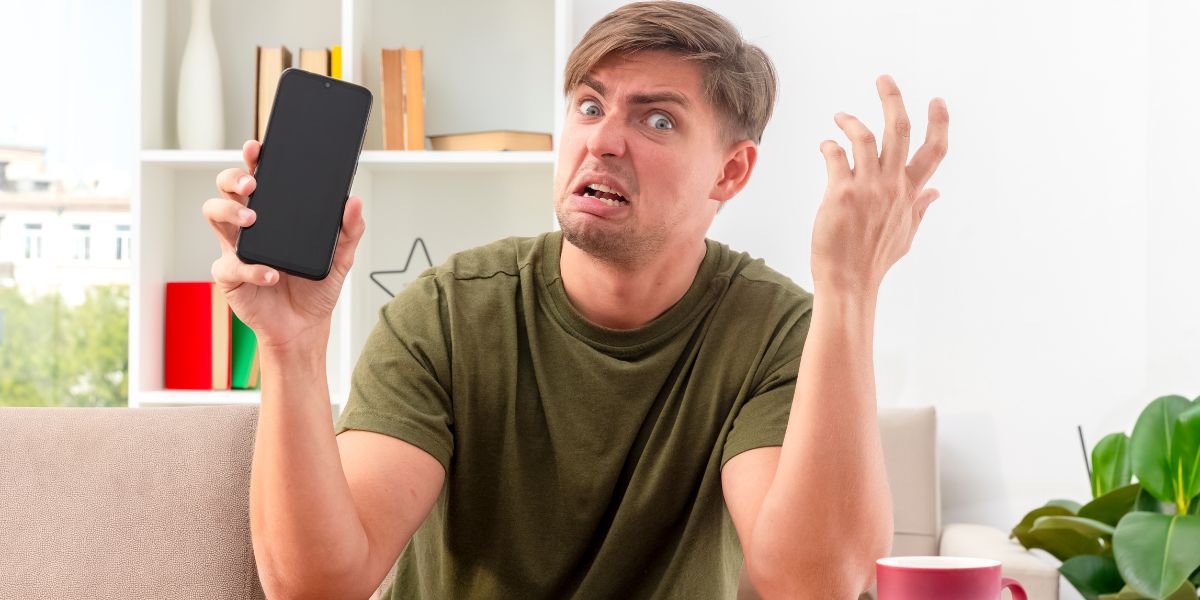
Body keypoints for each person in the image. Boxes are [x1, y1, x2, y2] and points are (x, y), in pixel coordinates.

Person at [202, 2, 948, 598]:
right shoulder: (449, 312)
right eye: (590, 106)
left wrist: (849, 291)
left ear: (730, 172)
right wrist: (292, 346)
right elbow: (318, 587)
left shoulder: (774, 333)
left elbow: (815, 585)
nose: (604, 141)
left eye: (658, 120)